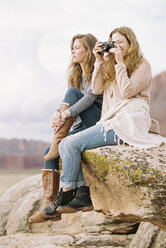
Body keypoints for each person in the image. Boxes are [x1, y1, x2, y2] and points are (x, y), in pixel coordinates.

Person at [42, 26, 166, 218]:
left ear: (130, 44)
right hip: (111, 120)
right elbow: (97, 89)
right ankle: (80, 194)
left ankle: (66, 194)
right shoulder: (109, 65)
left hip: (128, 120)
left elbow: (127, 92)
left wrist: (119, 62)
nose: (116, 46)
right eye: (113, 42)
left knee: (71, 143)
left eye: (120, 42)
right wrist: (100, 61)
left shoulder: (142, 65)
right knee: (66, 143)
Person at [28, 33, 103, 224]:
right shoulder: (76, 76)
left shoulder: (99, 70)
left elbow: (87, 100)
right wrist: (58, 113)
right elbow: (66, 103)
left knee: (72, 94)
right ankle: (50, 205)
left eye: (77, 47)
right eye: (72, 47)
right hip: (80, 125)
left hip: (97, 122)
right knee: (49, 152)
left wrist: (65, 114)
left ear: (88, 50)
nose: (73, 51)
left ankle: (58, 139)